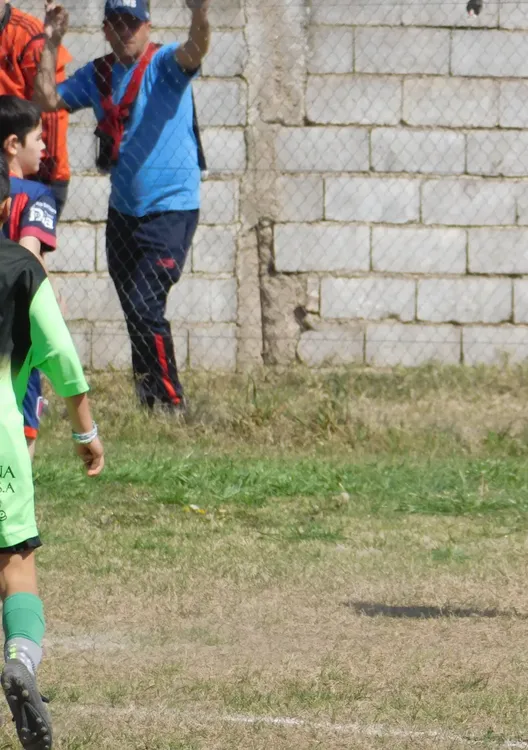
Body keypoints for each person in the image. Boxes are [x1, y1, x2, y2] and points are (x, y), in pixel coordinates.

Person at [33, 0, 211, 412]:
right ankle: (148, 400)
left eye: (132, 22)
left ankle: (170, 403)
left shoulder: (166, 64)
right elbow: (45, 99)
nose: (125, 30)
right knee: (135, 309)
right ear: (106, 29)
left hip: (171, 211)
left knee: (147, 303)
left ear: (147, 26)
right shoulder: (98, 74)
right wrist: (50, 41)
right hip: (123, 215)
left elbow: (196, 48)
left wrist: (200, 12)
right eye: (116, 22)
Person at [0, 166, 103, 750]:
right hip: (2, 443)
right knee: (14, 565)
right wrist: (84, 432)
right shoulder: (22, 267)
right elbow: (61, 357)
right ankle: (20, 662)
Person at [0, 96, 59, 460]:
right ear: (12, 144)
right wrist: (46, 298)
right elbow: (28, 253)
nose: (43, 145)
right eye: (37, 137)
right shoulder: (36, 195)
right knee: (21, 428)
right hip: (14, 326)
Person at [0, 0, 71, 216]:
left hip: (33, 174)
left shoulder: (27, 34)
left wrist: (45, 178)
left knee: (24, 248)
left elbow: (51, 112)